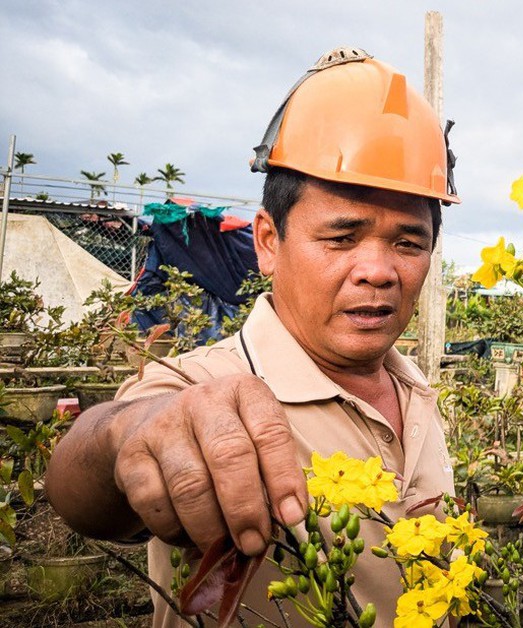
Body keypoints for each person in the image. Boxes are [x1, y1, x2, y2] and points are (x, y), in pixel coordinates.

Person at [45, 47, 459, 627]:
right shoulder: (201, 385)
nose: (378, 271)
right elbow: (82, 485)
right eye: (341, 238)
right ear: (268, 242)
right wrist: (126, 434)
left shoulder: (417, 391)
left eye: (408, 243)